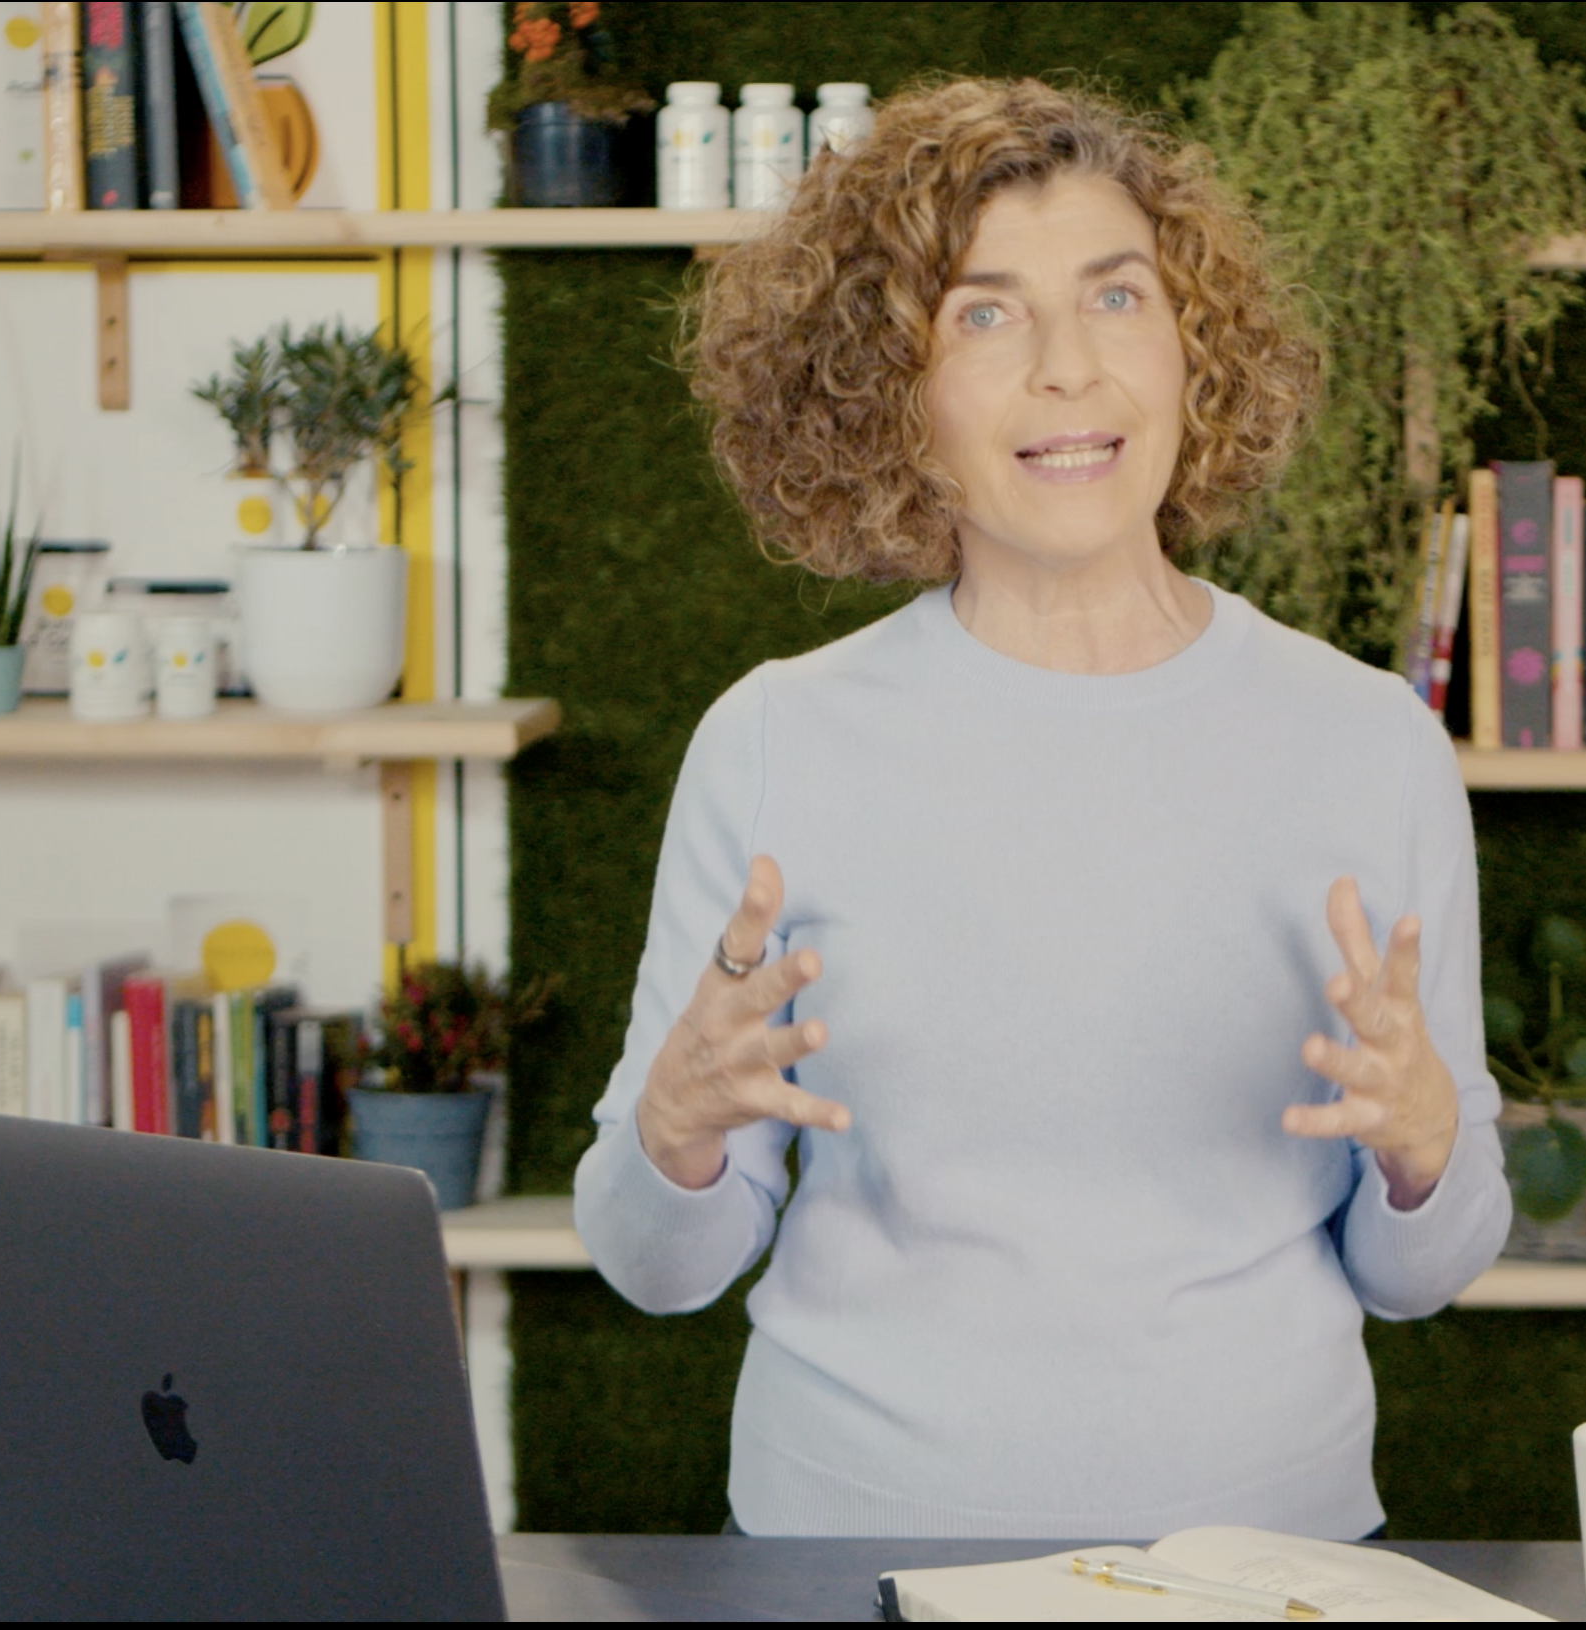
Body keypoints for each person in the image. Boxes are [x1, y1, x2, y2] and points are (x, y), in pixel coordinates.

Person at [573, 76, 1508, 1540]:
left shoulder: (1370, 742)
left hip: (1265, 1565)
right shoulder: (773, 741)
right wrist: (676, 1127)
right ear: (889, 393)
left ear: (1195, 348)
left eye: (1117, 296)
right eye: (985, 315)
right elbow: (658, 1265)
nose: (1070, 368)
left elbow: (1425, 1271)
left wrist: (1426, 1144)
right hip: (849, 1554)